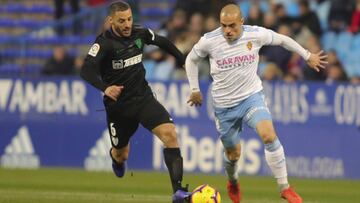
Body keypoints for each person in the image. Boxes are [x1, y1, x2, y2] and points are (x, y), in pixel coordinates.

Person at [185, 4, 327, 203]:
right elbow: (191, 59)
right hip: (224, 106)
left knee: (268, 135)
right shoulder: (209, 40)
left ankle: (285, 187)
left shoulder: (256, 34)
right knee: (233, 154)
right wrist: (194, 88)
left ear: (241, 21)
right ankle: (233, 181)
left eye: (232, 25)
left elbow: (283, 40)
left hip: (251, 97)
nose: (227, 30)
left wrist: (307, 55)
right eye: (224, 25)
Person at [80, 2, 190, 203]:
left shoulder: (139, 33)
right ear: (110, 21)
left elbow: (162, 41)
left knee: (170, 134)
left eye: (129, 19)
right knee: (122, 154)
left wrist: (182, 59)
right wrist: (106, 88)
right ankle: (117, 159)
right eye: (121, 21)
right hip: (119, 108)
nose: (127, 24)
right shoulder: (103, 44)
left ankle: (178, 192)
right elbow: (85, 70)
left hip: (143, 99)